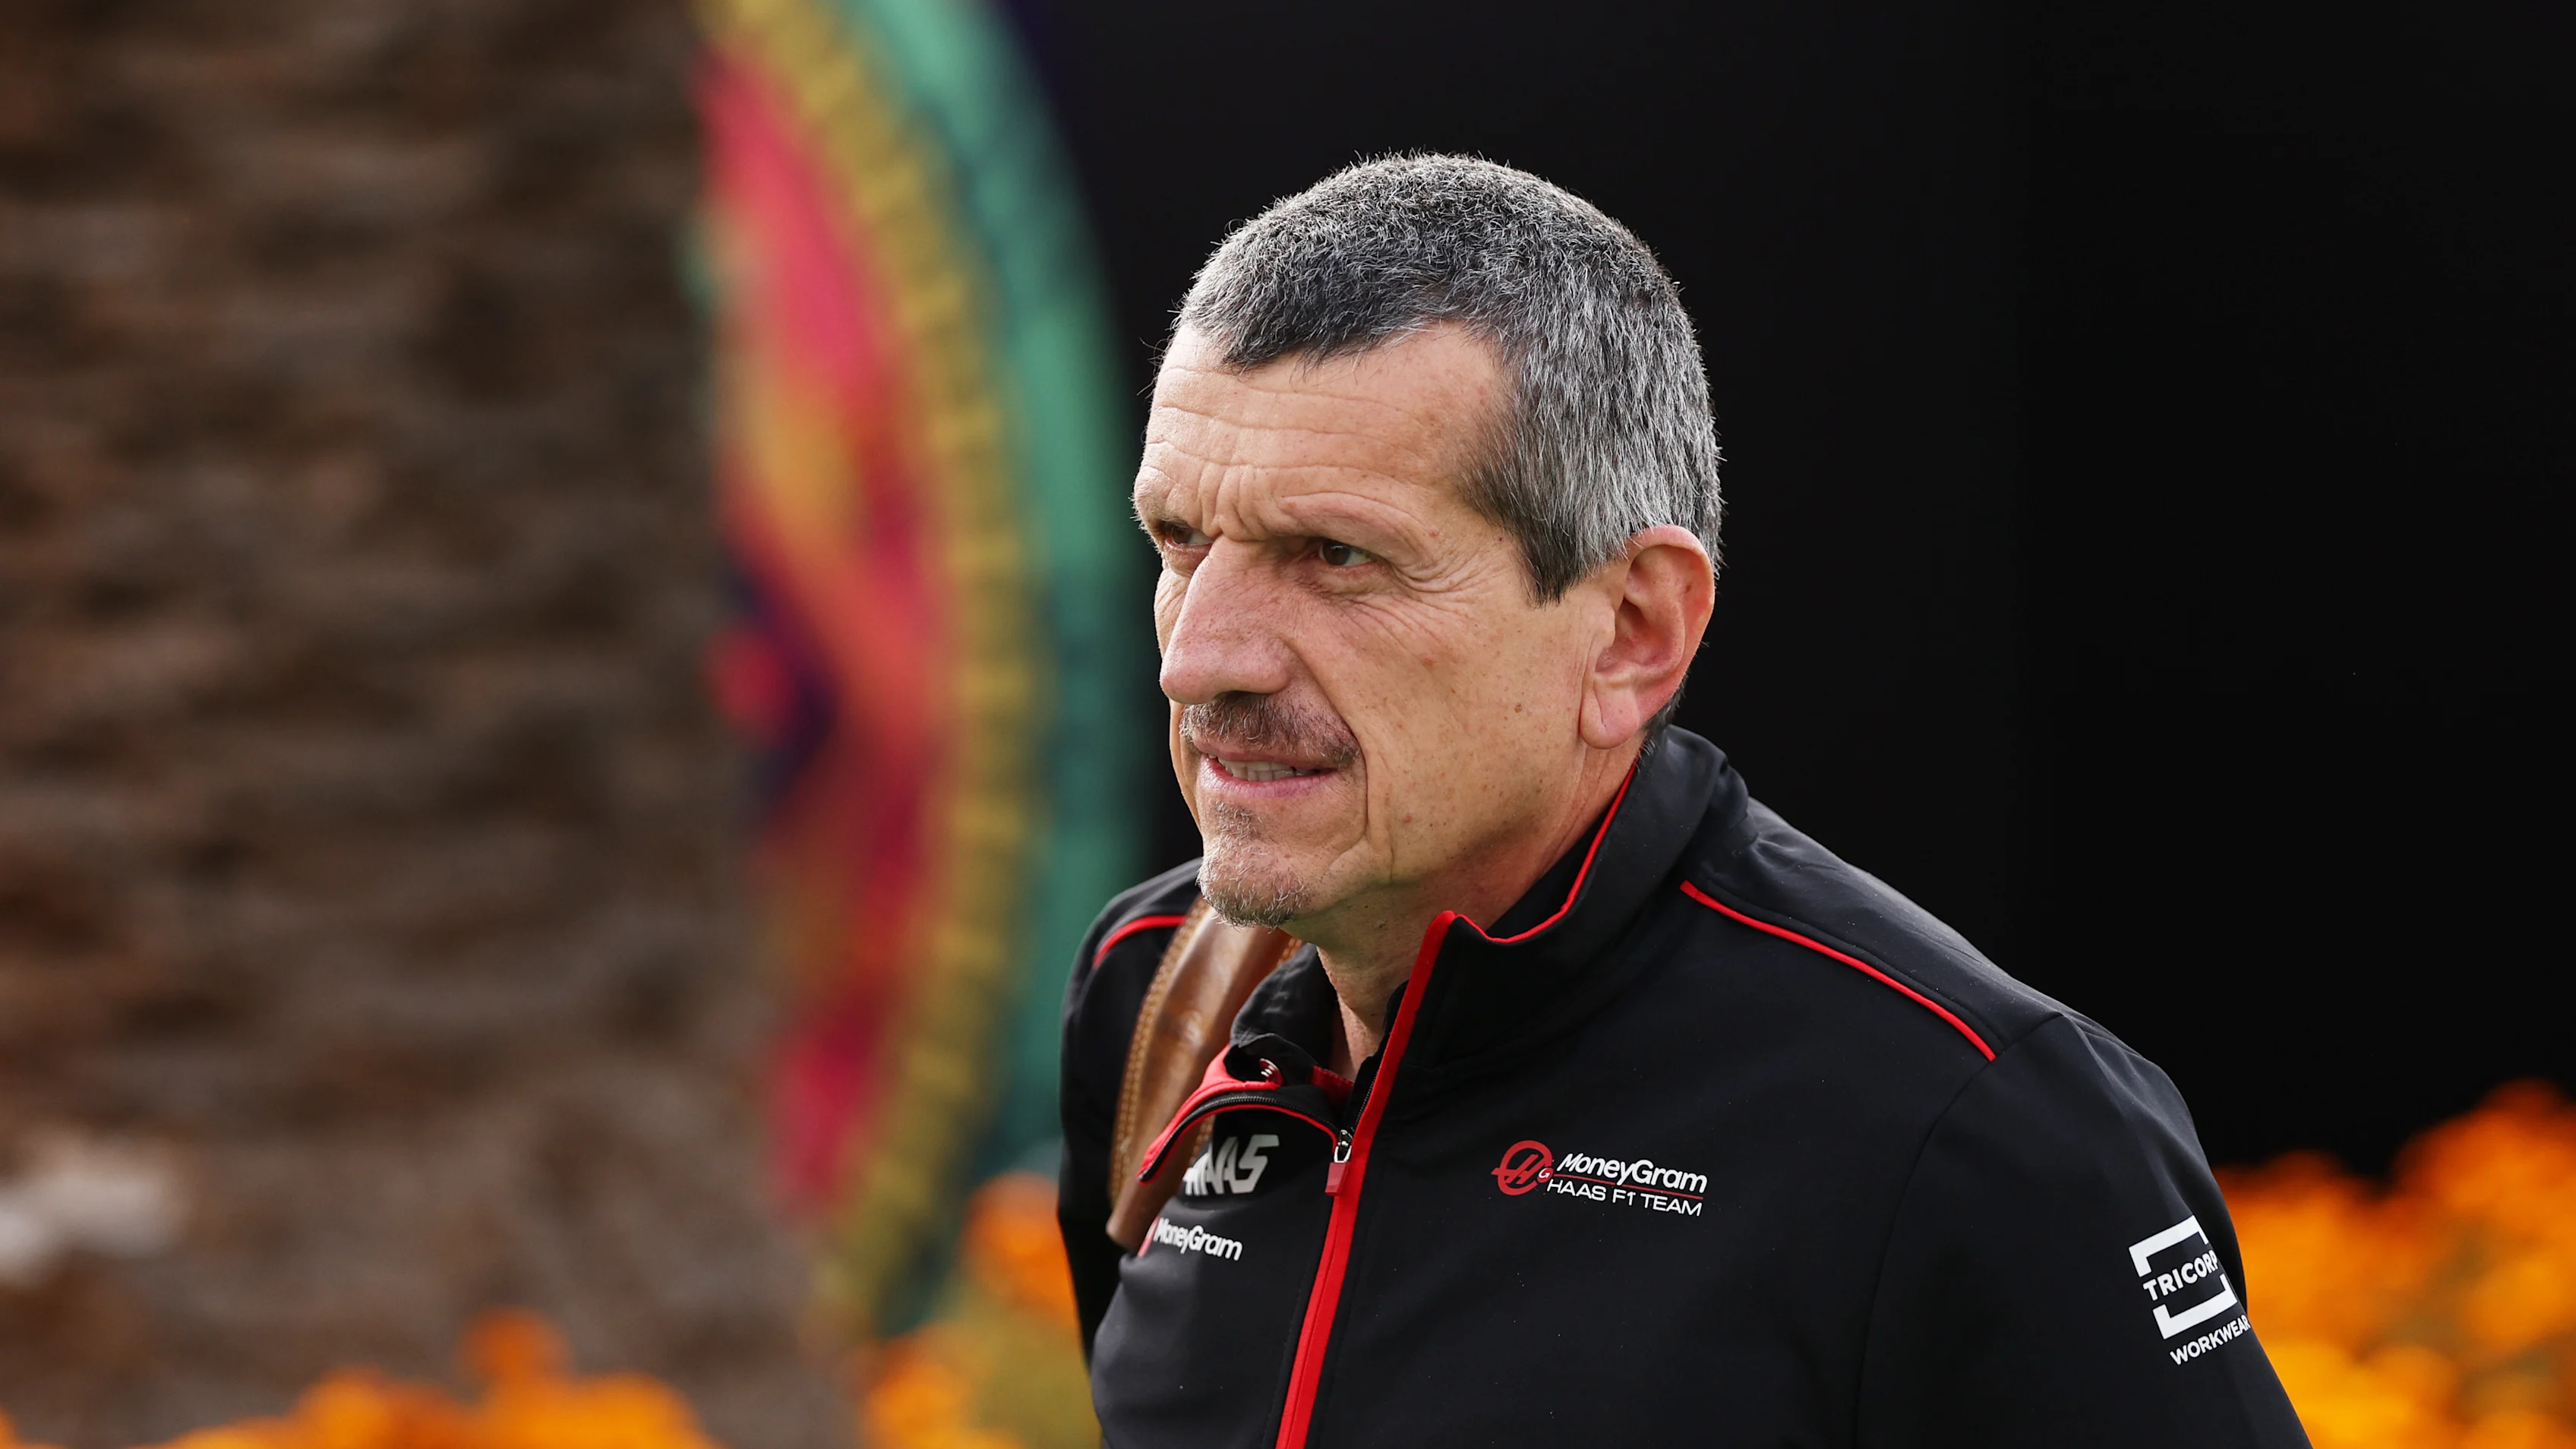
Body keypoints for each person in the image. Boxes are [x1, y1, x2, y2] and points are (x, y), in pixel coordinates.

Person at [1057, 155, 2309, 1448]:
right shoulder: (1152, 997)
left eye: (1336, 556)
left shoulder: (1986, 1133)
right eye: (1182, 541)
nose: (1198, 657)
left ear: (1634, 631)